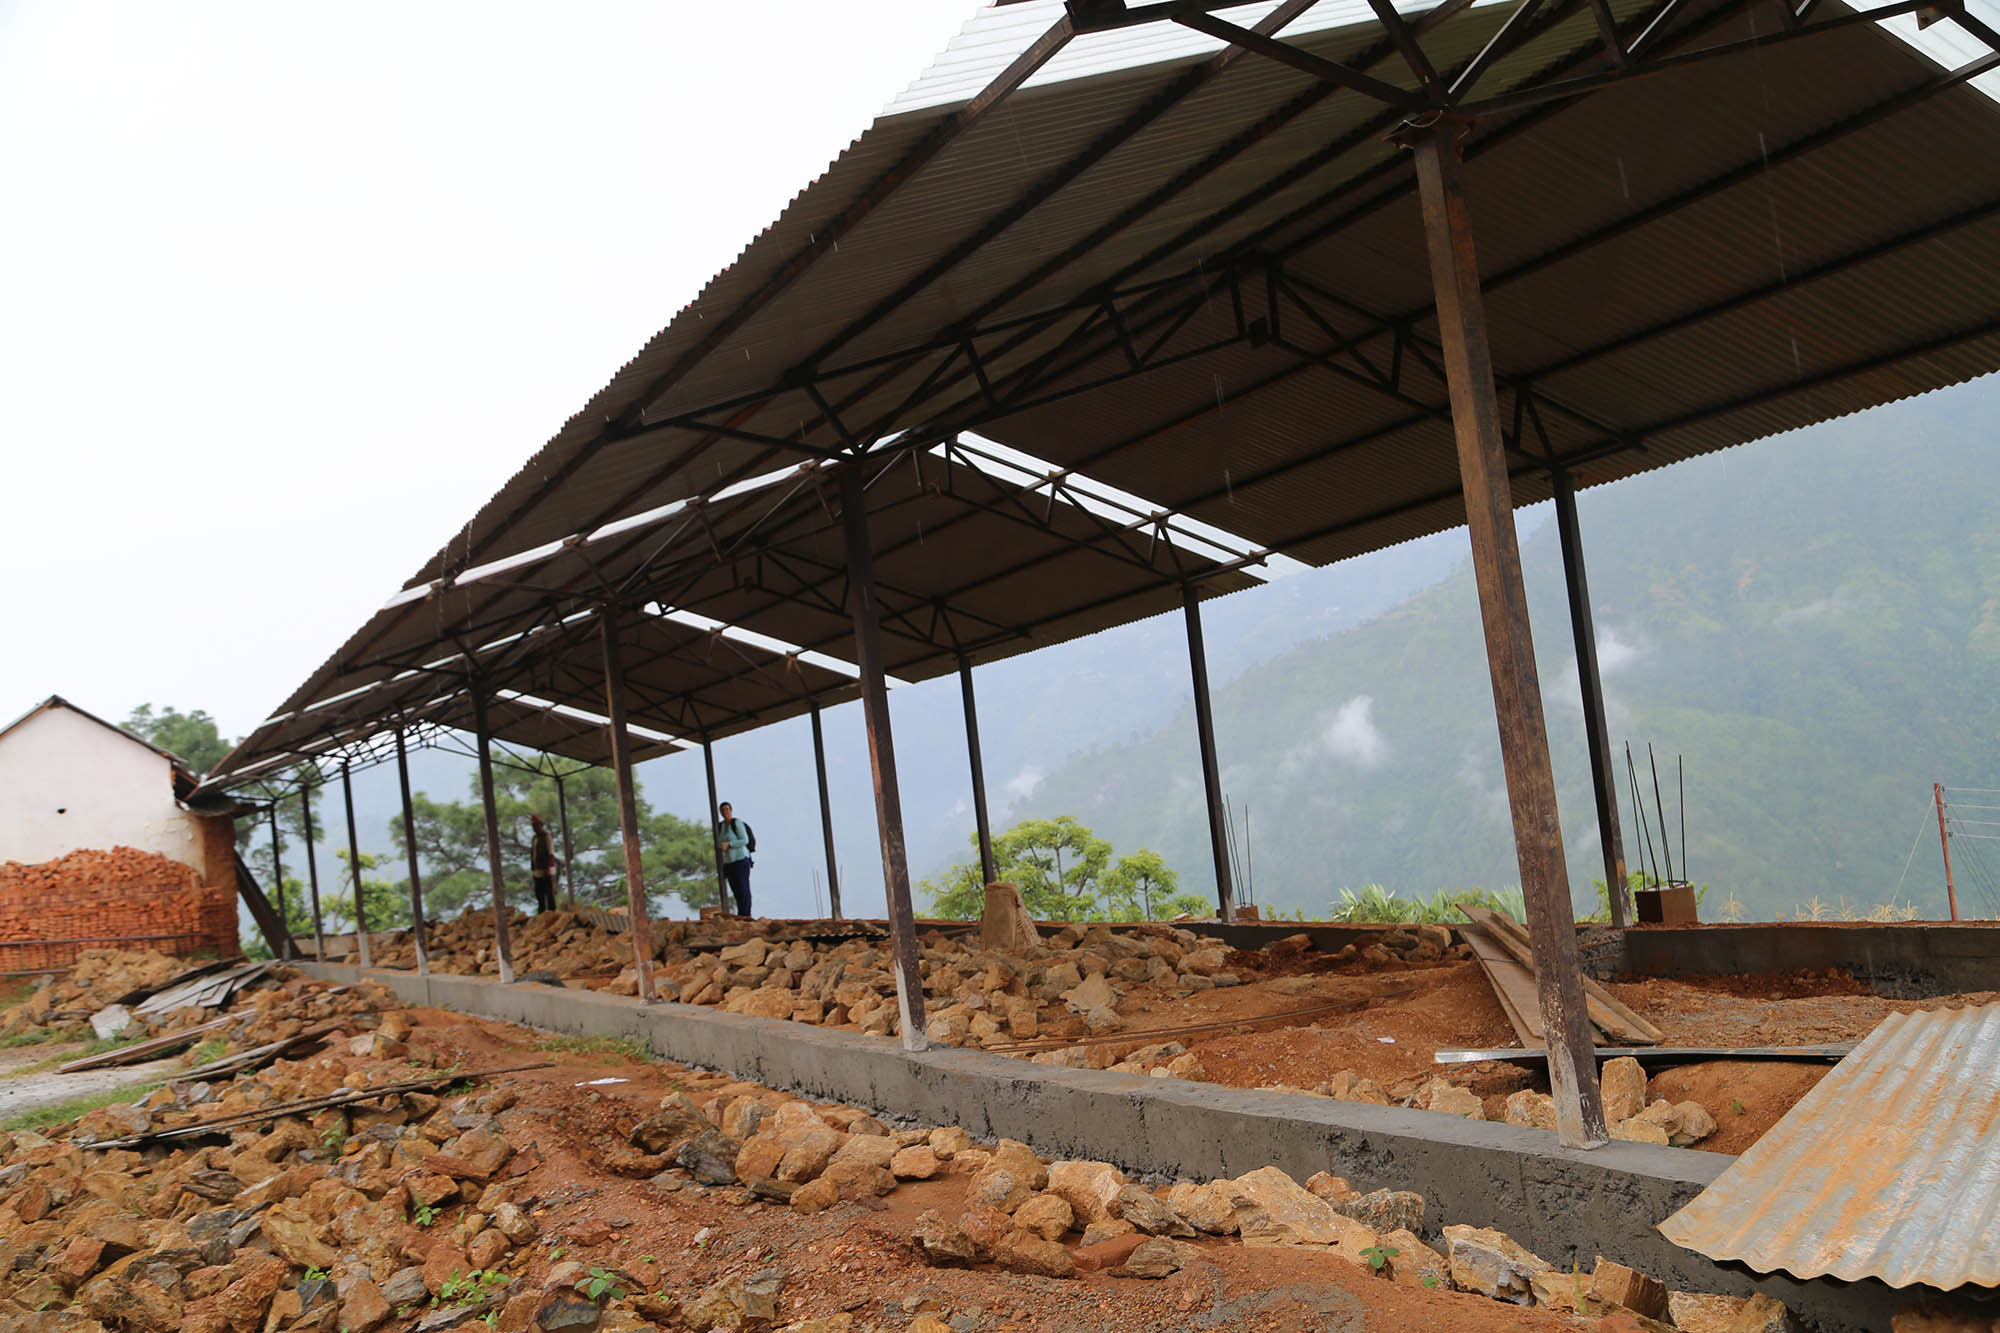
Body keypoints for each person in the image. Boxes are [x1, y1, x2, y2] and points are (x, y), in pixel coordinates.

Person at [715, 801, 755, 917]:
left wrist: (730, 844)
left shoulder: (736, 823)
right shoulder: (720, 826)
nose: (725, 812)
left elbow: (744, 840)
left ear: (730, 810)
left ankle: (746, 914)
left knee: (743, 888)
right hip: (729, 861)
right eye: (723, 810)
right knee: (736, 889)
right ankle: (741, 914)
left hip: (741, 859)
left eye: (727, 809)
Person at [528, 813, 559, 914]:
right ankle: (541, 912)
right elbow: (533, 854)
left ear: (541, 825)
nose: (535, 828)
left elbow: (550, 854)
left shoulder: (546, 837)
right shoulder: (534, 838)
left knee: (549, 892)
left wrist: (548, 870)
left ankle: (552, 911)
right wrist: (533, 868)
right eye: (533, 826)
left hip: (546, 869)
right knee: (539, 892)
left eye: (536, 825)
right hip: (537, 870)